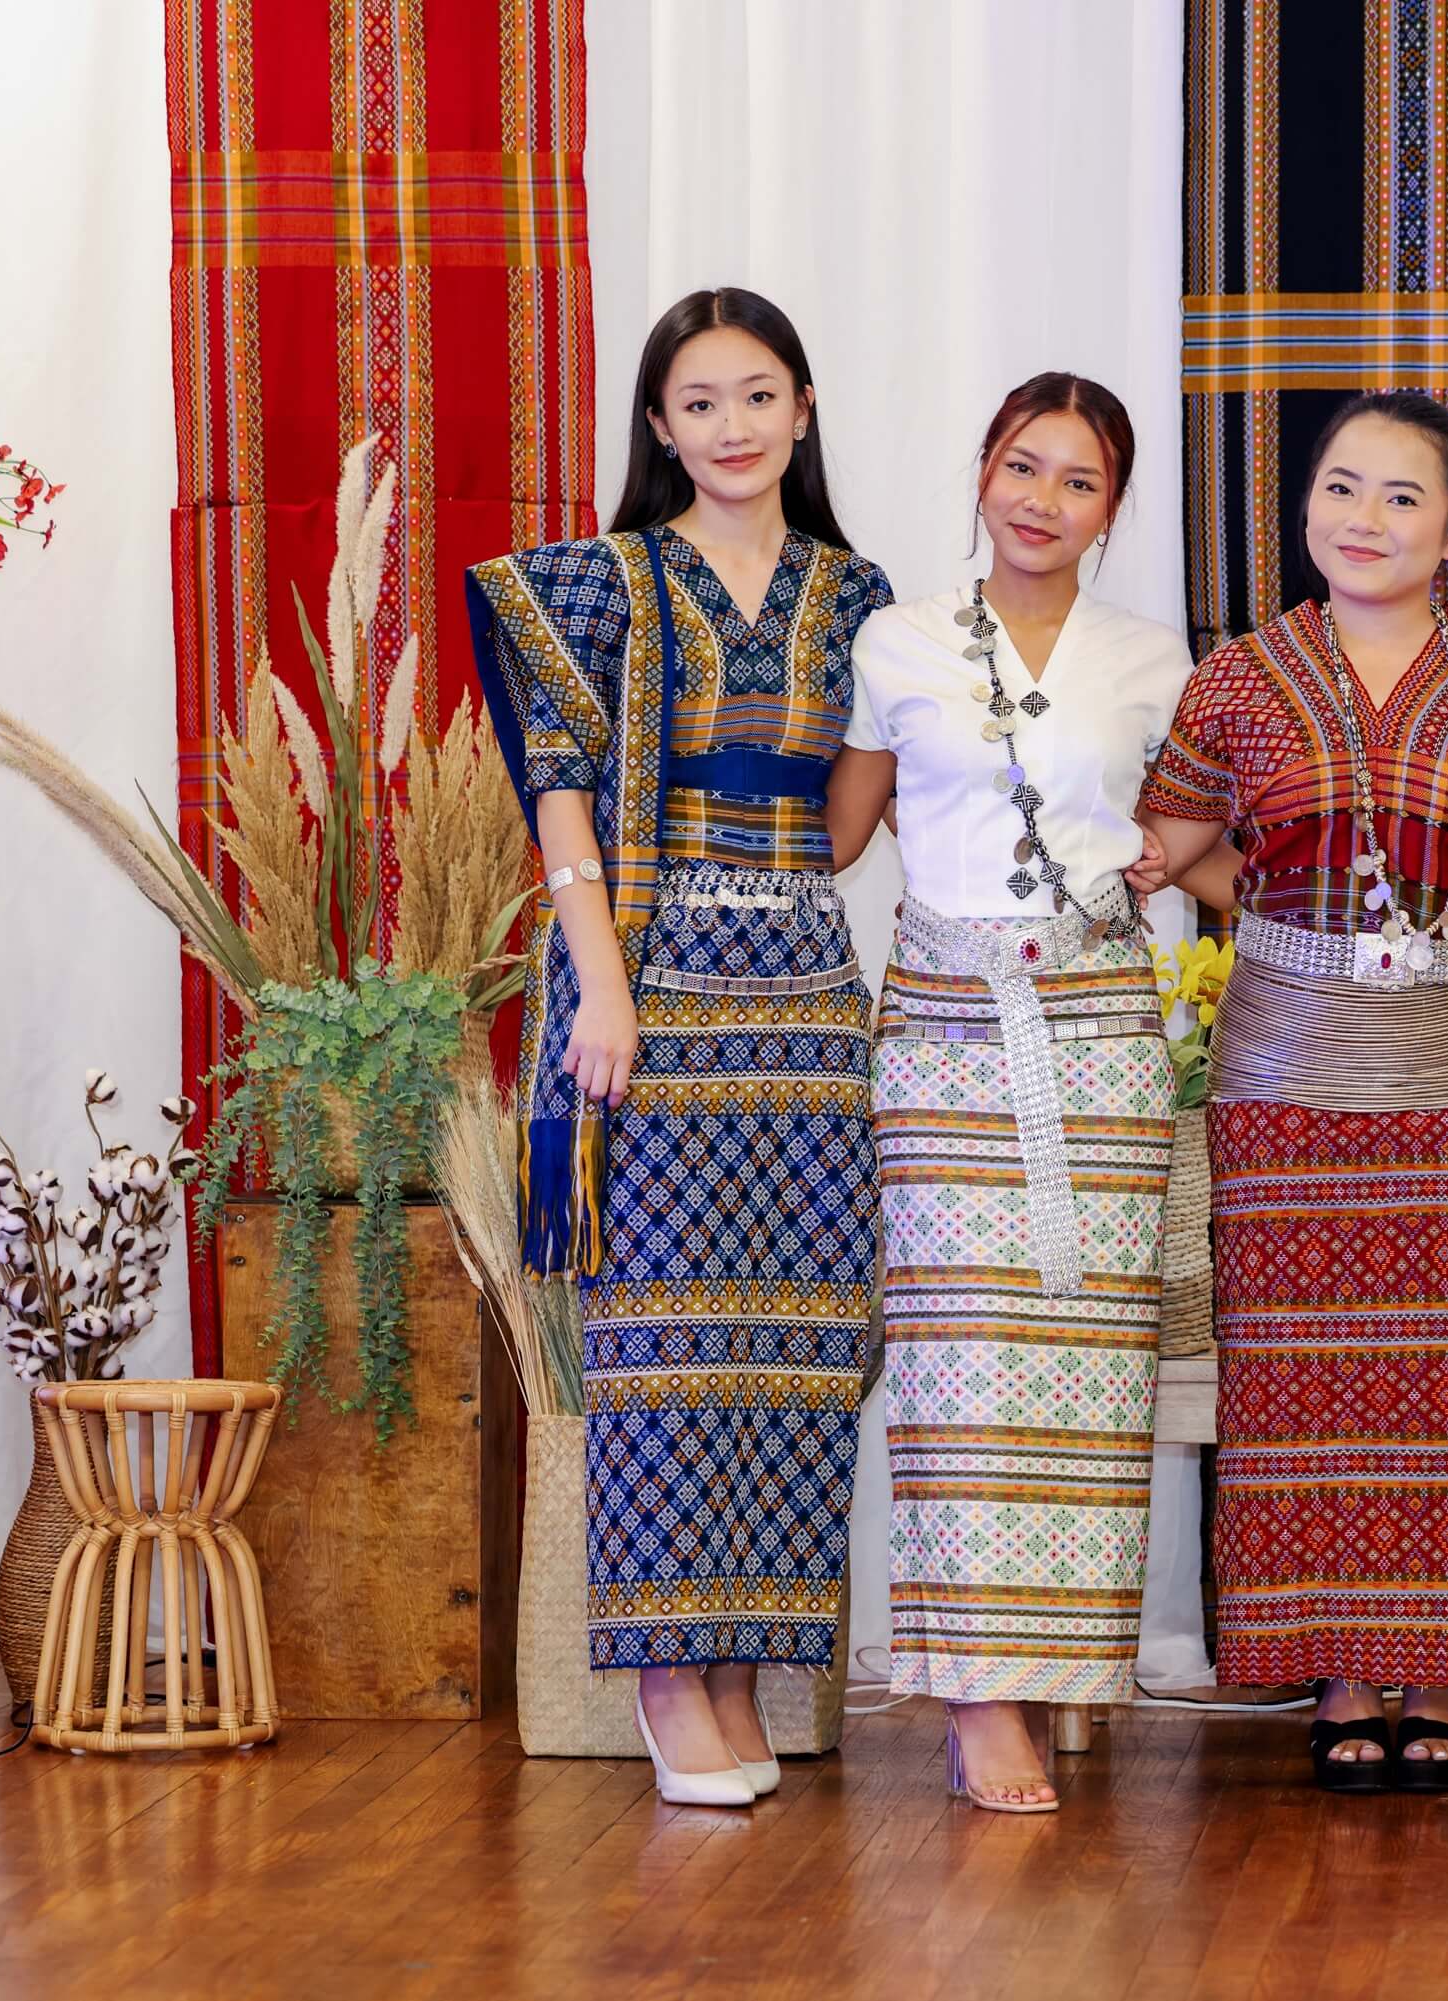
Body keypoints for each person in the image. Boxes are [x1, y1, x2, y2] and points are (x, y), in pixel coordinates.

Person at [466, 286, 891, 1809]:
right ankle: (663, 1674)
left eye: (758, 394)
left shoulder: (858, 597)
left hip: (807, 990)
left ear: (803, 406)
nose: (731, 426)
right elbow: (560, 791)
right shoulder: (603, 584)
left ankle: (741, 1668)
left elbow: (845, 827)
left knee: (798, 1342)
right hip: (654, 987)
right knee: (662, 1343)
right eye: (699, 402)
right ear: (657, 424)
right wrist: (602, 986)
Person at [1129, 392, 1448, 1792]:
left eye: (1400, 496)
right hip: (1282, 1064)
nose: (1363, 517)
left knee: (1444, 1371)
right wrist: (1285, 916)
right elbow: (1171, 844)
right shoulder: (1238, 676)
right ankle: (1337, 1673)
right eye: (1340, 487)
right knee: (1301, 1374)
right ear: (1304, 508)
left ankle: (1437, 1668)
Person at [828, 372, 1189, 1813]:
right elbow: (839, 832)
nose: (1044, 500)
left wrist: (1165, 854)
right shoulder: (897, 639)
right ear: (982, 471)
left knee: (1090, 1370)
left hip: (1102, 1033)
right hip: (943, 1030)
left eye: (1079, 479)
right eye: (1023, 467)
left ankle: (1061, 1670)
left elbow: (1194, 822)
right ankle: (979, 1697)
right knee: (957, 1363)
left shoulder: (1151, 656)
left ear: (1113, 507)